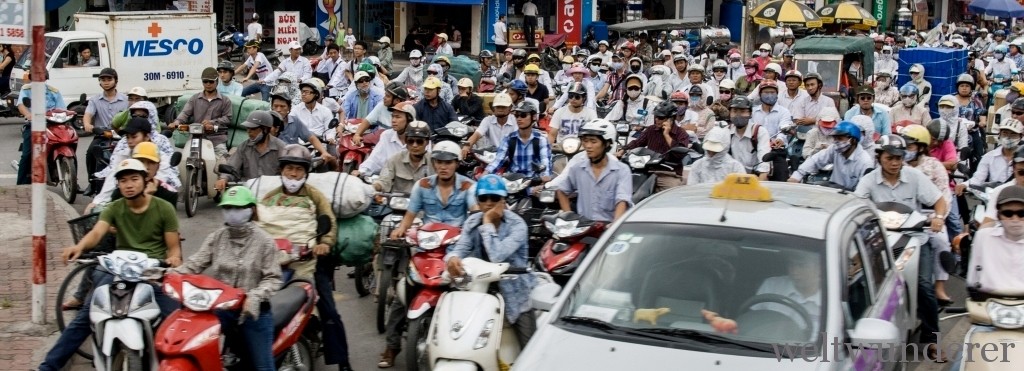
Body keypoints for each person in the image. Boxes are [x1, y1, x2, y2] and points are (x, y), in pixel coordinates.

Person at [41, 159, 181, 371]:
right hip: (118, 270)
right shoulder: (115, 208)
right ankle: (47, 367)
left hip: (151, 273)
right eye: (123, 180)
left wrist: (173, 259)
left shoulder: (164, 208)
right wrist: (79, 247)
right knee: (85, 315)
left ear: (146, 180)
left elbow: (173, 248)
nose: (129, 185)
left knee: (176, 318)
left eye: (134, 179)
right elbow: (97, 232)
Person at [161, 186, 281, 371]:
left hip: (253, 312)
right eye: (228, 208)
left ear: (251, 209)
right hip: (220, 309)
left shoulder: (265, 241)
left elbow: (273, 278)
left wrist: (255, 296)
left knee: (263, 367)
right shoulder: (216, 237)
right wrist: (170, 275)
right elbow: (195, 264)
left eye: (238, 208)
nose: (232, 212)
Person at [378, 141, 475, 367]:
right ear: (434, 163)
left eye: (448, 162)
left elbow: (475, 214)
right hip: (427, 248)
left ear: (456, 164)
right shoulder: (422, 185)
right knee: (403, 293)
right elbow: (410, 214)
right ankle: (392, 346)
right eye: (439, 162)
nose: (443, 167)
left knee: (468, 291)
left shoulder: (468, 187)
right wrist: (401, 229)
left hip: (456, 250)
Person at [255, 144, 351, 369]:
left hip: (309, 262)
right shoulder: (270, 198)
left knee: (329, 311)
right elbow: (259, 225)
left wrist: (324, 244)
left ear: (306, 173)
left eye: (298, 170)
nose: (293, 174)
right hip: (274, 264)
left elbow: (329, 222)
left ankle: (343, 363)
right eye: (289, 168)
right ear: (281, 170)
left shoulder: (315, 196)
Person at [854, 134, 948, 362]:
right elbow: (857, 205)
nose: (895, 162)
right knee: (859, 282)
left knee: (924, 286)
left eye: (899, 157)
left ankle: (931, 340)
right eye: (889, 157)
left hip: (915, 238)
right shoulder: (869, 180)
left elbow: (939, 200)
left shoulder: (914, 176)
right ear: (879, 157)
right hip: (879, 241)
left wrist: (938, 217)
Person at [445, 174, 537, 346]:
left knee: (530, 350)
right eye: (483, 198)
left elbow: (497, 255)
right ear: (478, 201)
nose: (488, 202)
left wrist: (487, 222)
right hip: (479, 289)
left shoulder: (517, 225)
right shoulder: (472, 221)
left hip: (515, 294)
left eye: (494, 198)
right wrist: (452, 259)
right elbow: (460, 248)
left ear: (503, 201)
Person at [950, 185, 1024, 367]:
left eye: (1022, 213)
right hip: (990, 319)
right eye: (1008, 213)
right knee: (963, 362)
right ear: (999, 215)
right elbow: (973, 281)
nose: (1015, 219)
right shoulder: (983, 237)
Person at [703, 250, 822, 338]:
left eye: (802, 265)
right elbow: (752, 324)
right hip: (763, 348)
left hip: (807, 356)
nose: (794, 271)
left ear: (820, 268)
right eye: (791, 264)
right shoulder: (772, 285)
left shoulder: (832, 298)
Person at [900, 124, 955, 304]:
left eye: (910, 146)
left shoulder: (934, 166)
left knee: (941, 241)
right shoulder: (896, 164)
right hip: (901, 217)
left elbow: (944, 195)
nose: (905, 150)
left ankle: (939, 287)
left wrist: (938, 219)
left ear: (922, 147)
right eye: (904, 145)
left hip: (929, 217)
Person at [89, 116, 178, 210]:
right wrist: (96, 203)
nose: (130, 141)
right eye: (127, 137)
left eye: (134, 137)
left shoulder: (168, 195)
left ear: (147, 136)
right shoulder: (122, 156)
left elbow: (160, 179)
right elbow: (111, 181)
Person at [556, 119, 632, 221]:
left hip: (608, 228)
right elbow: (562, 190)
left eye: (593, 141)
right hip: (583, 229)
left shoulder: (621, 170)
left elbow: (622, 200)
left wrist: (614, 225)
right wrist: (568, 216)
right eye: (585, 141)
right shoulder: (577, 169)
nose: (588, 146)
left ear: (607, 143)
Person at [617, 100, 690, 190]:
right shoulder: (651, 130)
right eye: (656, 116)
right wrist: (623, 150)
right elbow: (638, 142)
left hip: (669, 174)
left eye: (661, 117)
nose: (657, 120)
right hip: (648, 171)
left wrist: (666, 135)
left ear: (671, 118)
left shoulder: (681, 133)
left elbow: (680, 153)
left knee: (672, 191)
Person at [82, 68, 129, 196]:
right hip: (102, 135)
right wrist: (87, 124)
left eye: (109, 79)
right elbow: (88, 114)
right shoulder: (95, 100)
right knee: (90, 152)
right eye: (103, 80)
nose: (106, 82)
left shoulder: (126, 100)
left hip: (121, 136)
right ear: (100, 82)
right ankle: (92, 183)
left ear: (116, 81)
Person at [13, 69, 65, 185]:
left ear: (46, 78)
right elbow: (21, 105)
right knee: (27, 155)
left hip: (51, 126)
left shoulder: (54, 92)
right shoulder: (26, 89)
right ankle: (21, 185)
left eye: (42, 77)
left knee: (66, 144)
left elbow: (62, 109)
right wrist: (28, 114)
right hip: (33, 126)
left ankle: (72, 178)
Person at [168, 67, 233, 158]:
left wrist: (212, 122)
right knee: (185, 160)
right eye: (205, 81)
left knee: (222, 164)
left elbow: (228, 118)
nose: (208, 84)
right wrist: (176, 122)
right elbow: (185, 113)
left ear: (217, 81)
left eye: (211, 81)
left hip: (217, 139)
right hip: (196, 137)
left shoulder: (225, 101)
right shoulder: (195, 98)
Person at [788, 121, 873, 190]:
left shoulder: (865, 162)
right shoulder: (834, 149)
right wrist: (797, 176)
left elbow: (863, 191)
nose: (836, 142)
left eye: (839, 139)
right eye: (835, 138)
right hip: (833, 191)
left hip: (851, 198)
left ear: (853, 140)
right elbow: (816, 160)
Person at [216, 110, 286, 192]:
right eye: (248, 128)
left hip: (272, 194)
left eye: (253, 128)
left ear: (265, 129)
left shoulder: (281, 147)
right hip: (247, 193)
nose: (249, 131)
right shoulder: (243, 147)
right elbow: (232, 166)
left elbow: (287, 172)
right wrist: (224, 179)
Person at [485, 100, 553, 179]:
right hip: (512, 183)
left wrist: (544, 178)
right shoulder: (508, 138)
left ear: (534, 117)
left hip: (534, 183)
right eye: (517, 115)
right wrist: (486, 173)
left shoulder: (541, 139)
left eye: (523, 115)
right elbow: (498, 160)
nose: (519, 119)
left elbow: (545, 163)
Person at [956, 118, 1021, 196]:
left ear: (1021, 136)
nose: (1008, 137)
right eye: (1005, 133)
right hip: (994, 197)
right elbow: (978, 178)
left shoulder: (1022, 158)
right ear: (999, 134)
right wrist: (965, 185)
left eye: (1013, 134)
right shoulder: (989, 157)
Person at [268, 92, 334, 163]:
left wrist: (324, 152)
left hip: (293, 160)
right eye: (275, 106)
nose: (278, 110)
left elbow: (311, 138)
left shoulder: (295, 121)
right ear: (271, 107)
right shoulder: (266, 121)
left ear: (289, 108)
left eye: (282, 106)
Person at [355, 103, 418, 177]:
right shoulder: (387, 135)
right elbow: (374, 159)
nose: (393, 120)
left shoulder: (419, 139)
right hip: (388, 181)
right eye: (393, 117)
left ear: (409, 120)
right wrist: (361, 171)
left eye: (398, 117)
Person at [373, 122, 433, 193]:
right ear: (406, 141)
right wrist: (376, 186)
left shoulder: (434, 162)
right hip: (398, 202)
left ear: (427, 143)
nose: (414, 145)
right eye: (410, 141)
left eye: (419, 141)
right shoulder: (395, 160)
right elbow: (384, 181)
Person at [727, 96, 771, 179]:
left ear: (750, 114)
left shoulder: (759, 131)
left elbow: (764, 161)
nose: (738, 115)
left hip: (753, 177)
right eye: (735, 111)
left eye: (743, 111)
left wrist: (760, 182)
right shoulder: (726, 132)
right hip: (732, 178)